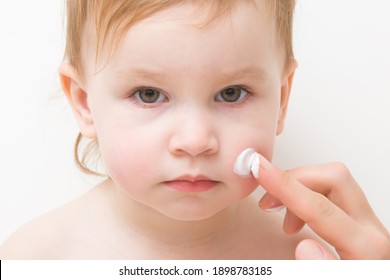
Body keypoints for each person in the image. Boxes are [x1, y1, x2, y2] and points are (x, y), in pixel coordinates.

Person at [0, 0, 389, 259]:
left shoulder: (308, 256)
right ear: (84, 102)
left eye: (232, 93)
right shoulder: (38, 256)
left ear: (281, 100)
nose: (195, 142)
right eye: (149, 94)